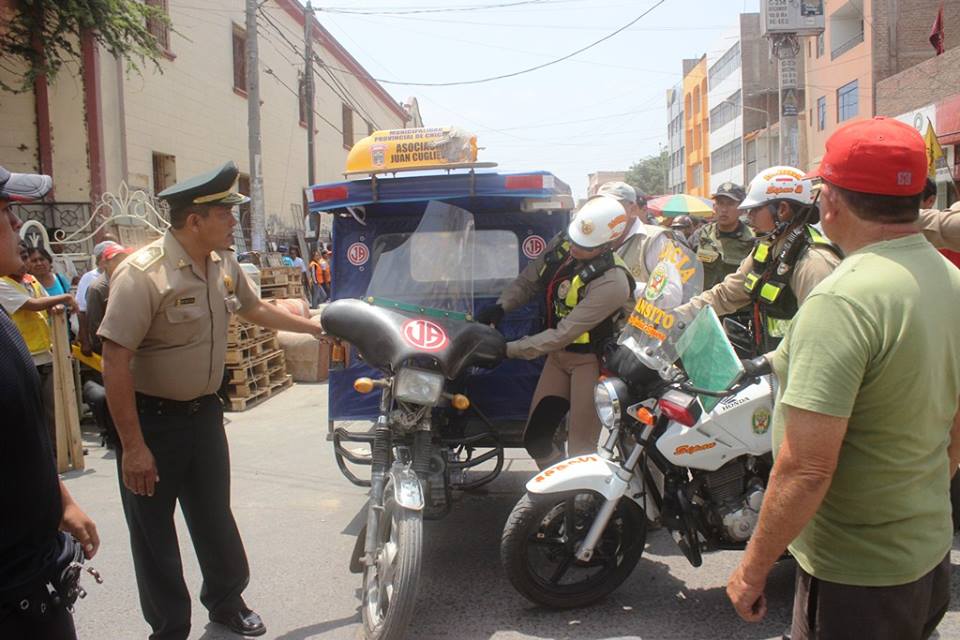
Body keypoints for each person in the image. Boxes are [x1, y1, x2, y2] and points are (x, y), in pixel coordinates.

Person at [726, 117, 960, 640]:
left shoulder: (842, 298)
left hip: (856, 574)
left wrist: (752, 568)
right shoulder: (950, 278)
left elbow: (805, 468)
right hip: (925, 549)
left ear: (831, 201)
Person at [98, 161, 329, 640]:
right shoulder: (142, 275)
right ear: (194, 220)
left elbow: (256, 309)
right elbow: (114, 361)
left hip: (204, 415)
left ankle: (227, 601)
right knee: (153, 533)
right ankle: (169, 626)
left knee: (213, 517)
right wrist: (134, 446)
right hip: (151, 422)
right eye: (225, 213)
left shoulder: (223, 264)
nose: (234, 221)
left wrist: (317, 327)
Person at [0, 165, 99, 640]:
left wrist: (58, 499)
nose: (18, 226)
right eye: (6, 213)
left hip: (32, 578)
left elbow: (20, 438)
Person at [502, 195, 634, 467]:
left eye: (584, 246)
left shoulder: (613, 281)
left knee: (581, 453)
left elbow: (564, 332)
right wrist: (499, 307)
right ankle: (559, 497)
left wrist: (509, 350)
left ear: (606, 245)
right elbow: (529, 281)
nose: (574, 248)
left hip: (590, 363)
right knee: (536, 439)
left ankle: (581, 504)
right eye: (573, 239)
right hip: (558, 358)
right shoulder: (565, 245)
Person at [676, 166, 843, 355]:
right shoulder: (767, 247)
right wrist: (677, 316)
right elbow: (727, 294)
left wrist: (767, 363)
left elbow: (824, 342)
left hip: (796, 371)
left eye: (755, 209)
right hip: (768, 362)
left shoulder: (813, 261)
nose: (749, 216)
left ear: (782, 210)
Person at [0, 242, 78, 449]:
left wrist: (58, 304)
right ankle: (41, 450)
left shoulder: (31, 280)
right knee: (32, 409)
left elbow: (48, 301)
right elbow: (33, 305)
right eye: (22, 256)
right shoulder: (2, 284)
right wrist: (67, 298)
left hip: (46, 351)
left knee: (54, 404)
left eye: (25, 257)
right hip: (23, 355)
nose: (23, 262)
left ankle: (59, 446)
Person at [81, 243, 131, 447]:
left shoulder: (126, 281)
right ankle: (112, 433)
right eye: (116, 260)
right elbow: (95, 324)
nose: (121, 263)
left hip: (128, 347)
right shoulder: (98, 288)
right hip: (109, 349)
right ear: (105, 263)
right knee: (111, 393)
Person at [695, 181, 755, 290]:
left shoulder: (753, 239)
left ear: (741, 209)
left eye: (730, 204)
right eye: (720, 203)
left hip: (736, 304)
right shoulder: (701, 235)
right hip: (704, 302)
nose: (724, 209)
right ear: (714, 207)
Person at [77, 238, 118, 356]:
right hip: (102, 337)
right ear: (101, 261)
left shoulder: (123, 275)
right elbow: (82, 311)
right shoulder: (90, 279)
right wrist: (85, 341)